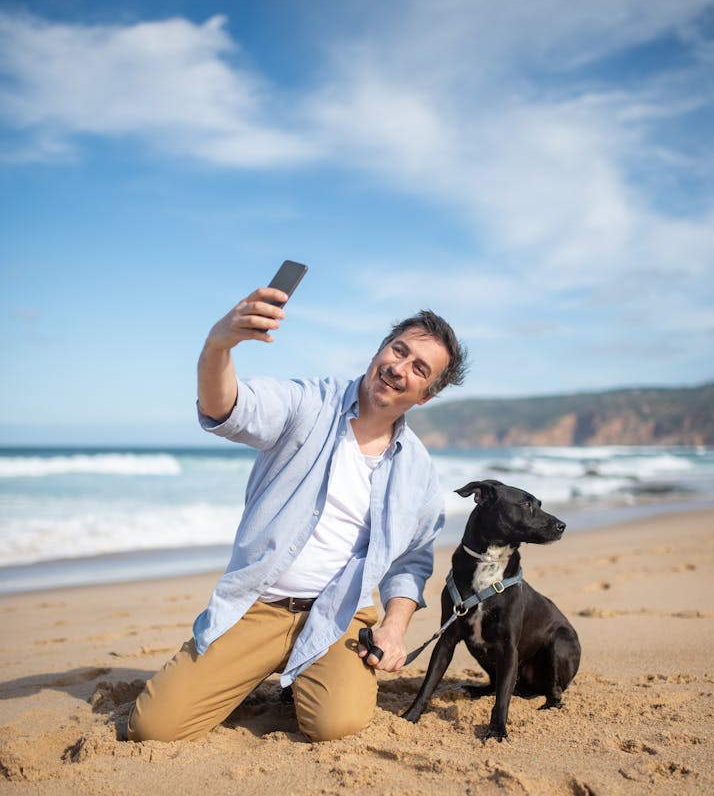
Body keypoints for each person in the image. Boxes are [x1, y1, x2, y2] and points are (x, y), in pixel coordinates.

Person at [128, 282, 467, 745]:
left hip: (340, 615)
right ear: (379, 349)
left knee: (336, 726)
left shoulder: (419, 471)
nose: (398, 367)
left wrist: (393, 625)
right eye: (397, 349)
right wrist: (220, 343)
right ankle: (265, 666)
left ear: (425, 394)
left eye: (418, 367)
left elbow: (412, 561)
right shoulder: (308, 403)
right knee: (153, 729)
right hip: (259, 606)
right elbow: (225, 407)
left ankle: (306, 674)